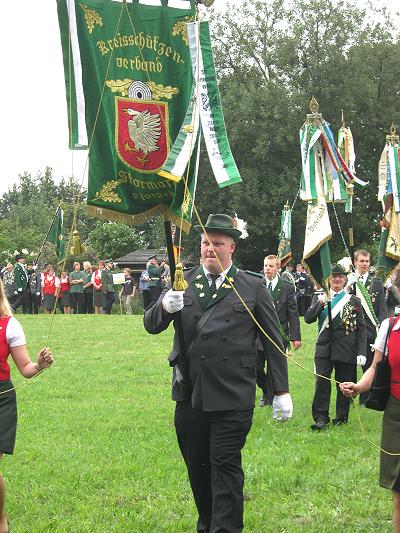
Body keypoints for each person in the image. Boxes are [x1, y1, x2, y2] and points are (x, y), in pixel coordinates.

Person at [144, 213, 292, 533]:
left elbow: (273, 342)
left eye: (217, 243)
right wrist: (163, 307)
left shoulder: (251, 286)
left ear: (231, 248)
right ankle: (207, 524)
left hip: (232, 396)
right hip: (189, 395)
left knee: (224, 468)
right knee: (198, 470)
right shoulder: (184, 281)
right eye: (204, 243)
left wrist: (281, 391)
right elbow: (151, 325)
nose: (209, 249)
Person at [0, 278, 53, 532]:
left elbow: (25, 368)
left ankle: (0, 519)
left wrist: (40, 365)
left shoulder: (10, 325)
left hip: (1, 398)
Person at [340, 315, 400, 532]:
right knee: (399, 492)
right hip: (396, 414)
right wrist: (359, 386)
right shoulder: (390, 325)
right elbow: (375, 367)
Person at [304, 263, 367, 430]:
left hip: (346, 348)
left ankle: (341, 417)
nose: (337, 279)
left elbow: (361, 329)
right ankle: (321, 418)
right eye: (334, 276)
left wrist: (362, 352)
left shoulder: (353, 301)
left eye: (340, 276)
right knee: (322, 383)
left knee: (344, 384)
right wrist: (321, 303)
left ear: (345, 279)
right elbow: (308, 318)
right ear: (329, 279)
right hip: (324, 348)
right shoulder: (321, 298)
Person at [257, 255, 301, 407]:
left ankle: (269, 397)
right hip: (258, 334)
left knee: (274, 367)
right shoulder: (258, 284)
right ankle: (264, 389)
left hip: (278, 334)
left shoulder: (287, 287)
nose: (267, 269)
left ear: (278, 268)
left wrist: (296, 337)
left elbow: (293, 314)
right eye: (265, 266)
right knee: (256, 366)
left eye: (271, 266)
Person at [347, 249, 388, 405]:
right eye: (361, 261)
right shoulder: (349, 281)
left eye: (367, 261)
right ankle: (349, 394)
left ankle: (366, 396)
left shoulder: (376, 282)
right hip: (351, 329)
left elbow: (382, 310)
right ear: (355, 262)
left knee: (369, 365)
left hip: (370, 331)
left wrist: (382, 331)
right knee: (350, 365)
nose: (364, 264)